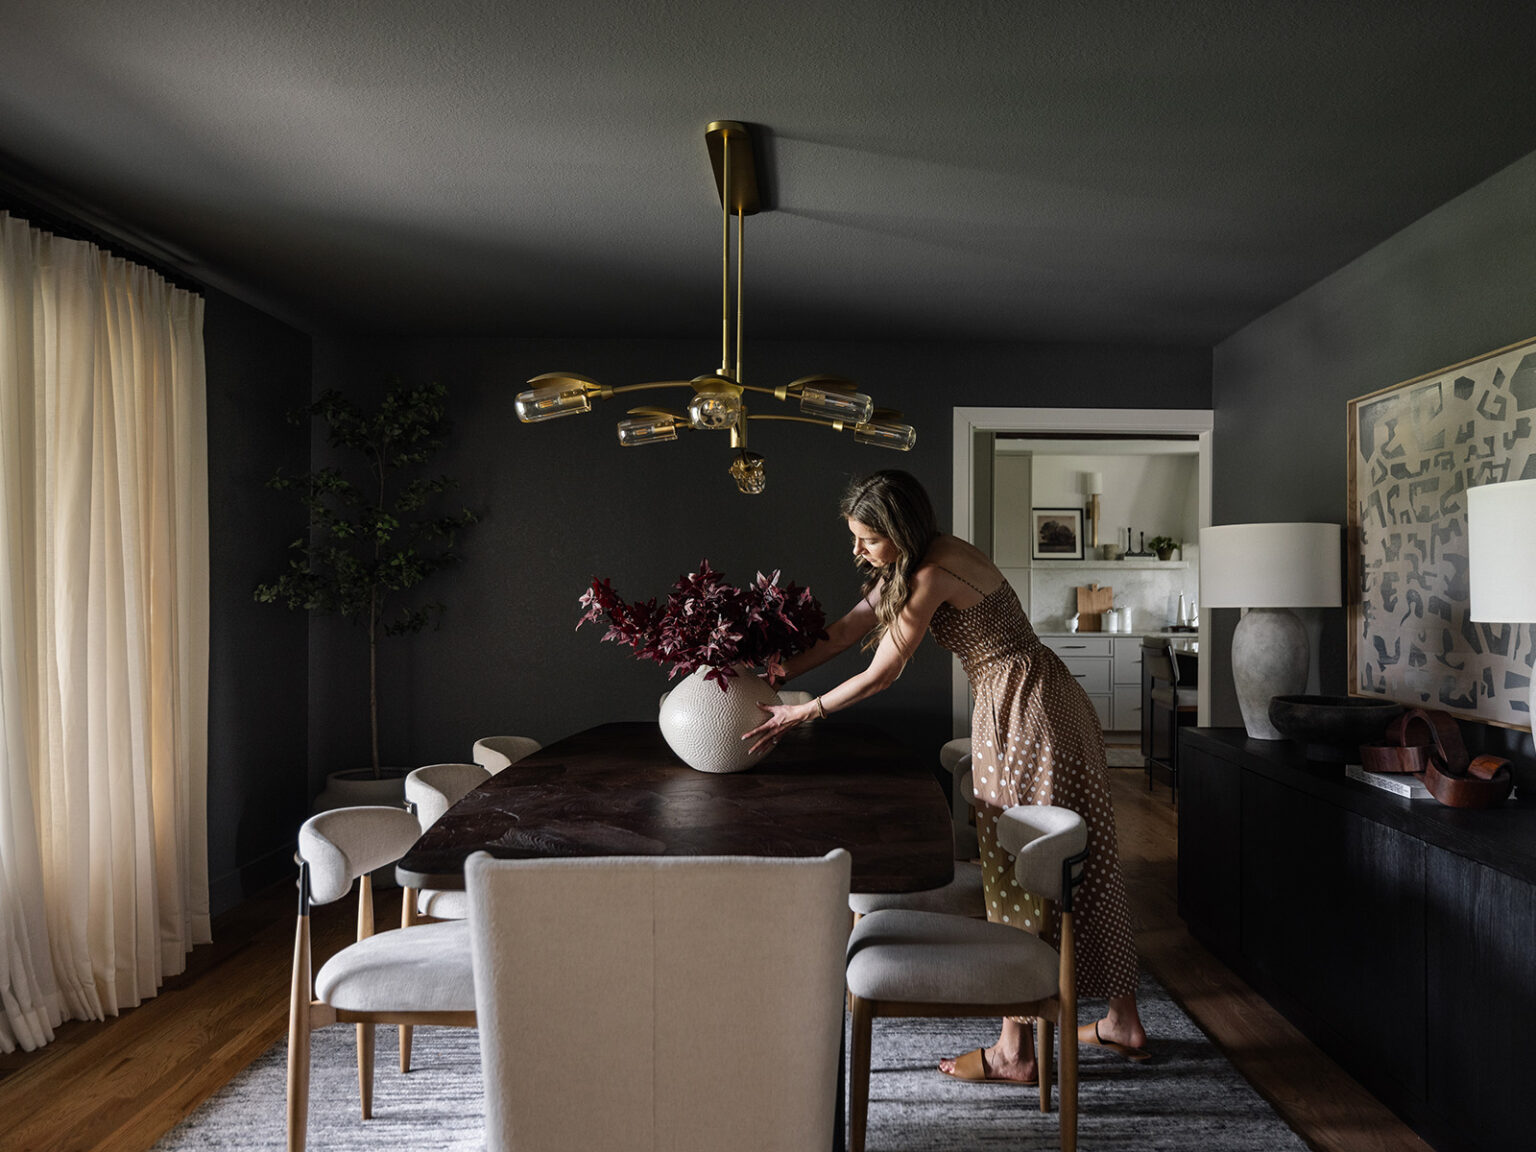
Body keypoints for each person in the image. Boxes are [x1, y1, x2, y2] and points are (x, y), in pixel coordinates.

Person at [742, 469, 1148, 1084]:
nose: (857, 551)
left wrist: (805, 711)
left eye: (867, 539)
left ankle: (1016, 1051)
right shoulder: (923, 556)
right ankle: (1122, 1020)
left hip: (1023, 710)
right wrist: (773, 672)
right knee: (1075, 855)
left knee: (1025, 860)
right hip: (1036, 698)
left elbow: (880, 673)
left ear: (898, 532)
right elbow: (848, 630)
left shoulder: (931, 574)